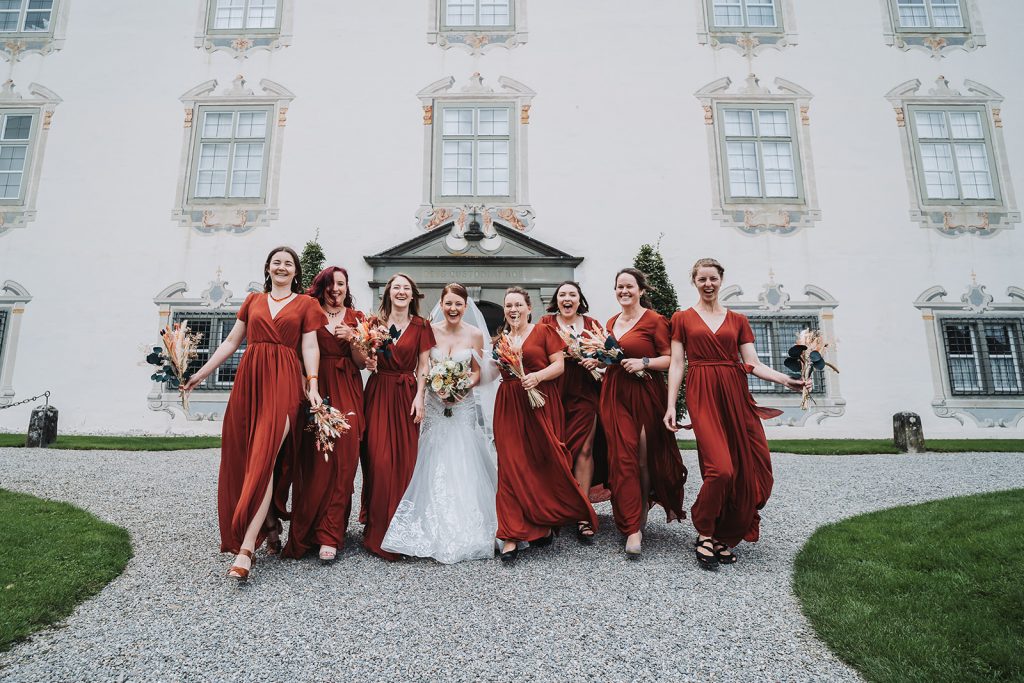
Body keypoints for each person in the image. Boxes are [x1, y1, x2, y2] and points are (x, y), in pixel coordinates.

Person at [183, 246, 325, 582]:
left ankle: (247, 548)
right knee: (249, 458)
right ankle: (272, 524)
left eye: (288, 264)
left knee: (264, 457)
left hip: (286, 383)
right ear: (268, 268)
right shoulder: (253, 301)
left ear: (296, 272)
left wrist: (314, 385)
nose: (282, 267)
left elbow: (310, 347)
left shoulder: (306, 304)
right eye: (277, 262)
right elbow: (232, 341)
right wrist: (200, 375)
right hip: (250, 383)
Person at [664, 258, 807, 567]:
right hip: (702, 392)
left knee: (745, 466)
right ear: (694, 281)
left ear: (721, 280)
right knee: (721, 469)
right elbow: (677, 363)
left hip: (735, 393)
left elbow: (752, 363)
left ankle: (721, 535)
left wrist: (786, 380)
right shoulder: (682, 318)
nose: (708, 284)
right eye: (702, 279)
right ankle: (704, 529)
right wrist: (671, 405)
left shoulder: (738, 320)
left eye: (713, 278)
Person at [381, 283, 499, 564]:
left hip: (463, 404)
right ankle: (426, 525)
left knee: (464, 455)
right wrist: (431, 390)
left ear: (466, 306)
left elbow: (478, 372)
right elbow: (423, 366)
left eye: (459, 304)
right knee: (432, 454)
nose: (453, 309)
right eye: (449, 303)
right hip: (434, 403)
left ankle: (471, 527)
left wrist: (459, 387)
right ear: (441, 304)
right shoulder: (428, 330)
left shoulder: (475, 335)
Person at [493, 286, 598, 564]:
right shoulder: (501, 339)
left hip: (540, 404)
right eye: (508, 306)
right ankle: (511, 534)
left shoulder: (544, 332)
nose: (513, 310)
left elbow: (559, 366)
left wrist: (537, 378)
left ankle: (542, 523)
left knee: (543, 462)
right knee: (510, 466)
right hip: (509, 405)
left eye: (518, 305)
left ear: (529, 308)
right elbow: (494, 372)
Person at [282, 266, 369, 563]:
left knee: (344, 461)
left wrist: (355, 338)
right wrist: (307, 384)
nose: (335, 289)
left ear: (347, 287)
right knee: (314, 463)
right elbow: (297, 351)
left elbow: (360, 362)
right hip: (315, 388)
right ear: (321, 287)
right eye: (330, 284)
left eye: (341, 284)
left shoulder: (357, 318)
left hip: (347, 387)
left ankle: (331, 534)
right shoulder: (309, 311)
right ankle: (305, 532)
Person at [600, 268, 687, 559]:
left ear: (641, 290)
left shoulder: (654, 320)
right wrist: (598, 364)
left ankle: (642, 505)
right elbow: (611, 360)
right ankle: (632, 527)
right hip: (615, 395)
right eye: (619, 287)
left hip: (646, 395)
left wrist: (644, 362)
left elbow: (671, 360)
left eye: (629, 287)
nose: (624, 291)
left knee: (643, 458)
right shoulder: (611, 322)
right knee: (623, 456)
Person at [361, 273, 435, 561]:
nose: (401, 292)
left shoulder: (421, 326)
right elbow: (366, 357)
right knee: (378, 460)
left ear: (413, 295)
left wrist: (420, 397)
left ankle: (403, 530)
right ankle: (378, 530)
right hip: (379, 393)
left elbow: (424, 365)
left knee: (405, 461)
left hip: (407, 395)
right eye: (396, 288)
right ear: (388, 293)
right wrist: (368, 361)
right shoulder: (374, 324)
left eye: (406, 288)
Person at [538, 281, 606, 544]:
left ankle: (583, 512)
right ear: (556, 299)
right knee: (555, 450)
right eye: (562, 294)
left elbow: (608, 355)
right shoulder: (545, 323)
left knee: (585, 449)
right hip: (553, 390)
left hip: (584, 391)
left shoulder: (592, 325)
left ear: (580, 300)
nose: (567, 299)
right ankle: (553, 509)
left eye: (572, 295)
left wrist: (597, 359)